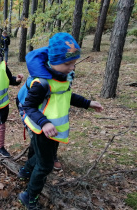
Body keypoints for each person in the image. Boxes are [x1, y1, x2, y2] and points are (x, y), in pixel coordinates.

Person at [17, 32, 103, 209]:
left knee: (43, 157)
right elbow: (29, 106)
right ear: (53, 61)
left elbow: (67, 95)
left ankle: (25, 170)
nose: (72, 67)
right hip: (42, 129)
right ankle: (29, 196)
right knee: (45, 165)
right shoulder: (42, 83)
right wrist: (44, 123)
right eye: (67, 63)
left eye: (73, 63)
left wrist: (87, 103)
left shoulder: (63, 77)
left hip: (54, 130)